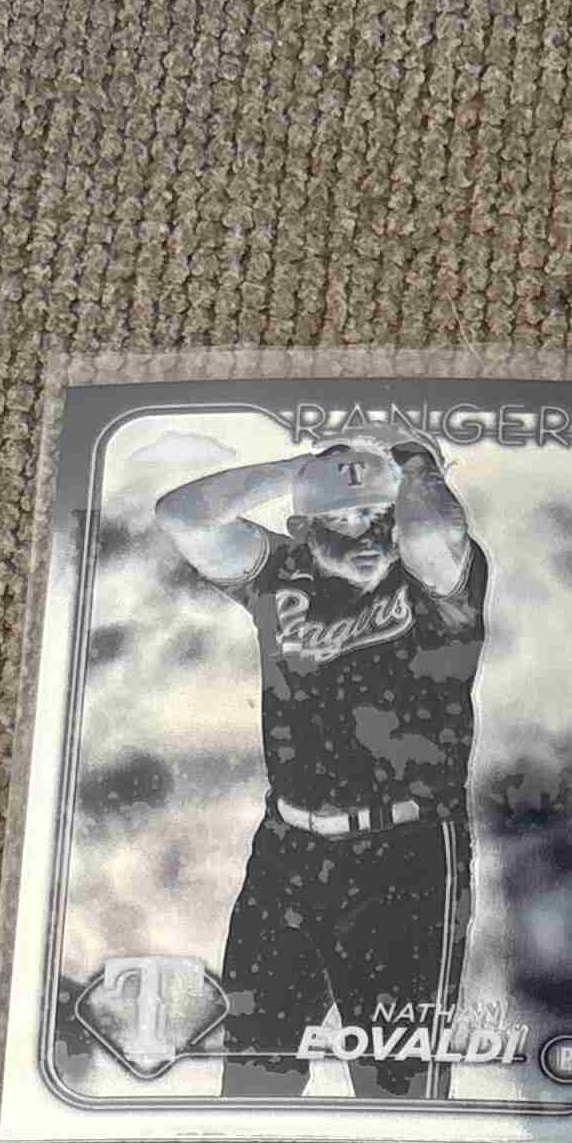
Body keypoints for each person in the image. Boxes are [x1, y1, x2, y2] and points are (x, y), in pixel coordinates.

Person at [151, 433, 488, 1101]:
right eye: (342, 517)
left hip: (408, 854)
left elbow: (435, 529)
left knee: (398, 1091)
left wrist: (414, 464)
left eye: (379, 514)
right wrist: (299, 470)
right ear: (303, 528)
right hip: (287, 853)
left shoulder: (434, 577)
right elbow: (182, 515)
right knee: (252, 1079)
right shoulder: (279, 573)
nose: (367, 533)